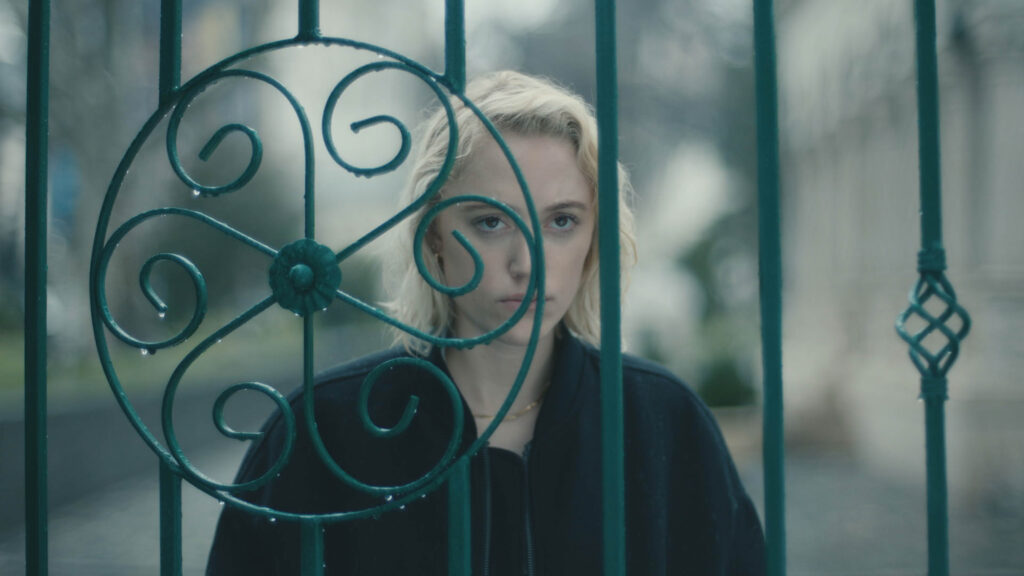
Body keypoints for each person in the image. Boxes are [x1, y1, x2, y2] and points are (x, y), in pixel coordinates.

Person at [207, 71, 765, 575]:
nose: (529, 263)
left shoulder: (662, 423)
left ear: (594, 238)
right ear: (433, 238)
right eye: (491, 222)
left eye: (562, 220)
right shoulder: (325, 430)